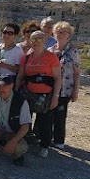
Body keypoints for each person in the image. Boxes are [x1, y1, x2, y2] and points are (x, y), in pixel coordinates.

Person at [15, 30, 62, 158]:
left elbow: (58, 78)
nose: (36, 42)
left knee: (44, 122)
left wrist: (55, 97)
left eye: (40, 39)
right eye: (33, 39)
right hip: (28, 94)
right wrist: (16, 92)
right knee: (25, 120)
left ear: (45, 41)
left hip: (46, 95)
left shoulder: (51, 57)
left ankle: (44, 146)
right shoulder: (26, 57)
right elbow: (20, 76)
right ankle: (24, 142)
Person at [48, 22, 80, 150]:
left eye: (64, 32)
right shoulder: (51, 50)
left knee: (60, 115)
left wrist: (76, 90)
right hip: (50, 87)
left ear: (69, 35)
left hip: (65, 89)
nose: (60, 34)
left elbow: (77, 72)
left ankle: (59, 140)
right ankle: (47, 137)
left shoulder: (73, 51)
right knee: (49, 114)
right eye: (58, 32)